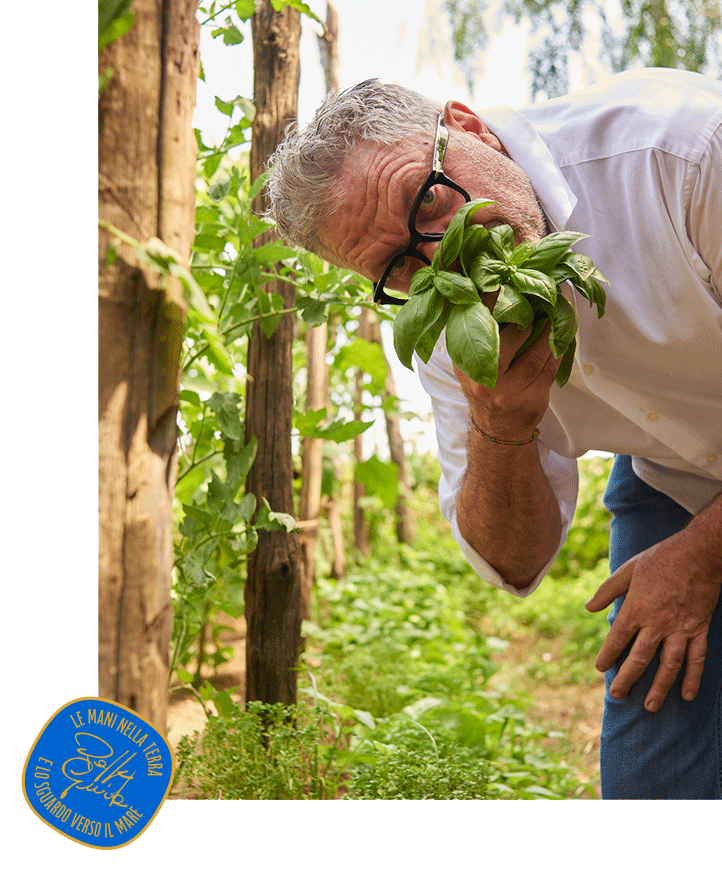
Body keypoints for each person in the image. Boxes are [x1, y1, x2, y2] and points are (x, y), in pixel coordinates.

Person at [266, 68, 722, 799]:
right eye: (397, 265)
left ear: (468, 126)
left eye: (428, 198)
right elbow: (513, 561)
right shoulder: (450, 326)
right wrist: (501, 426)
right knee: (651, 780)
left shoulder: (683, 153)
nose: (442, 255)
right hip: (676, 471)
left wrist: (701, 554)